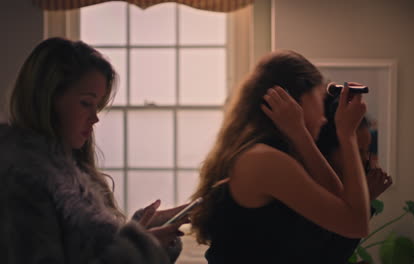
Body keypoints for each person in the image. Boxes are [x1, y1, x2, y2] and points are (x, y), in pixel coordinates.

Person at [0, 37, 187, 264]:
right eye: (86, 103)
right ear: (48, 99)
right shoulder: (21, 177)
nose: (95, 118)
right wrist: (144, 247)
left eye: (97, 106)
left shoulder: (70, 173)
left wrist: (140, 229)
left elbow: (89, 250)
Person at [190, 50, 370, 263]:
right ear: (297, 98)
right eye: (320, 99)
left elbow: (336, 195)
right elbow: (356, 224)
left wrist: (300, 134)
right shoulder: (263, 160)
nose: (323, 118)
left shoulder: (268, 154)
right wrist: (347, 134)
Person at [316, 93, 393, 264]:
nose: (365, 161)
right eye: (357, 151)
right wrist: (365, 200)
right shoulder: (309, 190)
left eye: (367, 151)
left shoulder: (337, 189)